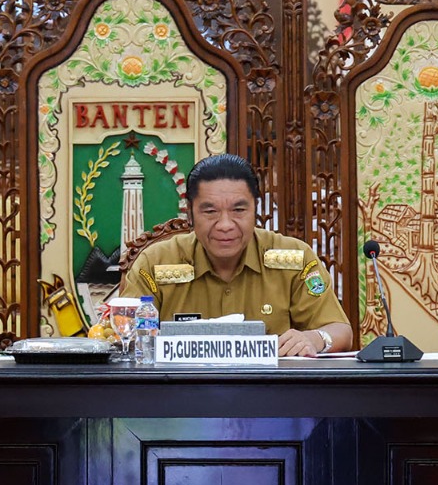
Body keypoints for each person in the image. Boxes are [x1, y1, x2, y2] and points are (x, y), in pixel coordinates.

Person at [119, 153, 352, 357]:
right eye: (210, 211)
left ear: (256, 209)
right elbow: (123, 334)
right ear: (189, 213)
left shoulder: (294, 258)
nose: (225, 225)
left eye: (239, 210)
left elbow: (340, 331)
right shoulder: (156, 263)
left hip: (273, 397)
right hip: (181, 397)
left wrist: (315, 339)